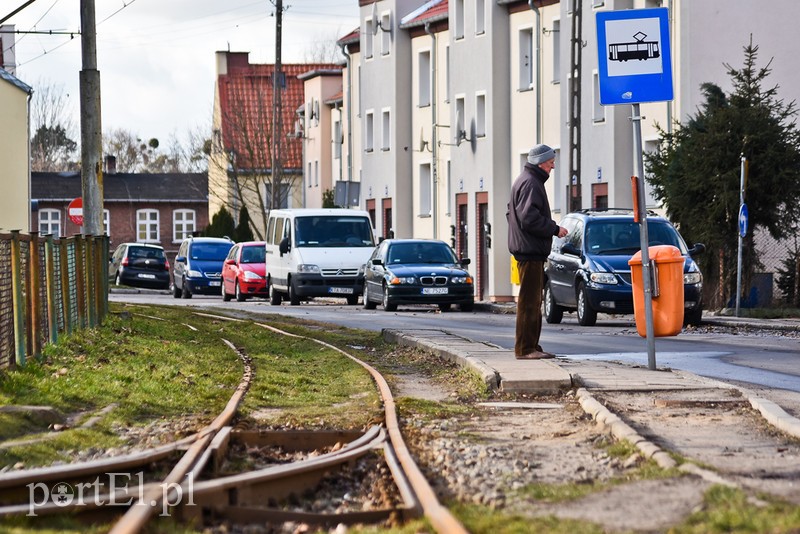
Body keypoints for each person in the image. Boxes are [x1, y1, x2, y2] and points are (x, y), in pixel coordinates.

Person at [507, 144, 568, 359]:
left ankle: (532, 345)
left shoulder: (526, 180)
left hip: (528, 248)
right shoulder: (531, 183)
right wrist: (554, 228)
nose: (552, 167)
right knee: (529, 302)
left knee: (533, 300)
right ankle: (525, 349)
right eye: (551, 163)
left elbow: (512, 213)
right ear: (541, 163)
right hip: (530, 250)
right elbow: (528, 218)